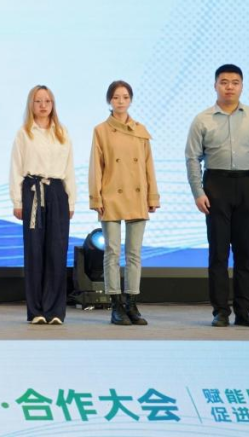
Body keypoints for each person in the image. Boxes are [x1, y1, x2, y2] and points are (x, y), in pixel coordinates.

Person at [186, 64, 249, 328]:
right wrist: (198, 192)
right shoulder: (202, 119)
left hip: (248, 185)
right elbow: (192, 158)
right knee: (218, 252)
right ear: (215, 85)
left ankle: (244, 312)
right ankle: (221, 312)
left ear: (242, 86)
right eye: (224, 82)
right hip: (216, 185)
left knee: (245, 252)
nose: (229, 87)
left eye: (235, 82)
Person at [88, 80, 159, 326]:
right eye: (116, 97)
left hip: (137, 195)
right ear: (109, 100)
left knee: (134, 253)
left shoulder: (140, 130)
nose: (121, 101)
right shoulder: (101, 130)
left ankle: (132, 303)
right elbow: (96, 166)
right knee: (112, 252)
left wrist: (152, 196)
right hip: (111, 194)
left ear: (131, 100)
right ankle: (115, 305)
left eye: (125, 97)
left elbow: (149, 165)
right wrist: (96, 197)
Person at [9, 85, 76, 325]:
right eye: (38, 101)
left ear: (53, 104)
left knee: (57, 251)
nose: (43, 105)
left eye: (47, 101)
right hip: (33, 191)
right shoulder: (24, 133)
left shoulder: (62, 132)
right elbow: (16, 168)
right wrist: (17, 201)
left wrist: (71, 200)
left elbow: (69, 169)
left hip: (57, 192)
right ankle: (36, 310)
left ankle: (55, 310)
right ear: (31, 104)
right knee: (35, 251)